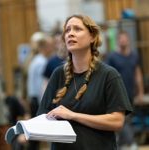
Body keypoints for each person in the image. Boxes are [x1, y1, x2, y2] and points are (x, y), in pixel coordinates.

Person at [37, 14, 133, 150]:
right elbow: (42, 116)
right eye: (68, 30)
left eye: (77, 29)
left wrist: (73, 116)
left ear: (92, 37)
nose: (71, 33)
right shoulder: (58, 74)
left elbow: (117, 121)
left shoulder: (108, 75)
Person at [105, 31, 144, 150]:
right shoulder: (112, 57)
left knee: (127, 119)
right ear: (117, 41)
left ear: (128, 40)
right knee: (122, 119)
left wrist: (140, 92)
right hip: (116, 94)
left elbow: (138, 74)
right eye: (120, 39)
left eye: (125, 39)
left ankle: (121, 144)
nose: (123, 41)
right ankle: (131, 143)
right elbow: (106, 76)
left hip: (130, 93)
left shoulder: (134, 56)